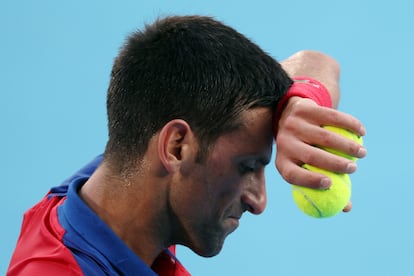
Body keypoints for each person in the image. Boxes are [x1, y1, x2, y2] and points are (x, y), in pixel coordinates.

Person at [7, 15, 366, 275]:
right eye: (246, 167)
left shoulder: (116, 178)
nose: (259, 202)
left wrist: (297, 105)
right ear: (176, 147)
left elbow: (317, 63)